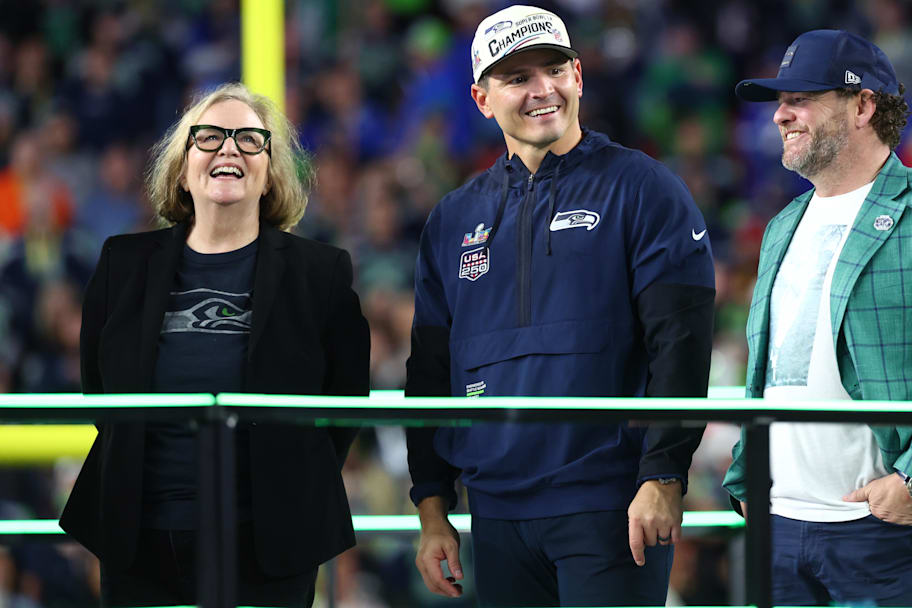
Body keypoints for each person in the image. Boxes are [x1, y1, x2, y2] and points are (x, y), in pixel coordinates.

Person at [405, 5, 715, 606]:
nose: (541, 89)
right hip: (493, 513)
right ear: (481, 98)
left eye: (553, 70)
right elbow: (429, 375)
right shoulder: (451, 219)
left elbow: (681, 344)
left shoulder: (644, 188)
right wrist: (432, 507)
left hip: (612, 505)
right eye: (517, 78)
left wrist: (663, 473)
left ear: (578, 74)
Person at [722, 30, 912, 607]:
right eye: (780, 102)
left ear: (864, 105)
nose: (781, 114)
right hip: (777, 524)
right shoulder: (781, 224)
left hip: (885, 532)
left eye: (802, 97)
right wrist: (744, 475)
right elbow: (769, 366)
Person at [59, 83, 370, 607]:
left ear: (270, 173)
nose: (229, 149)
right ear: (182, 169)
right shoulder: (121, 263)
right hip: (139, 543)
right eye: (210, 138)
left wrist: (285, 480)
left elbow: (344, 402)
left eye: (250, 140)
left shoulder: (322, 272)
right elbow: (100, 390)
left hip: (269, 545)